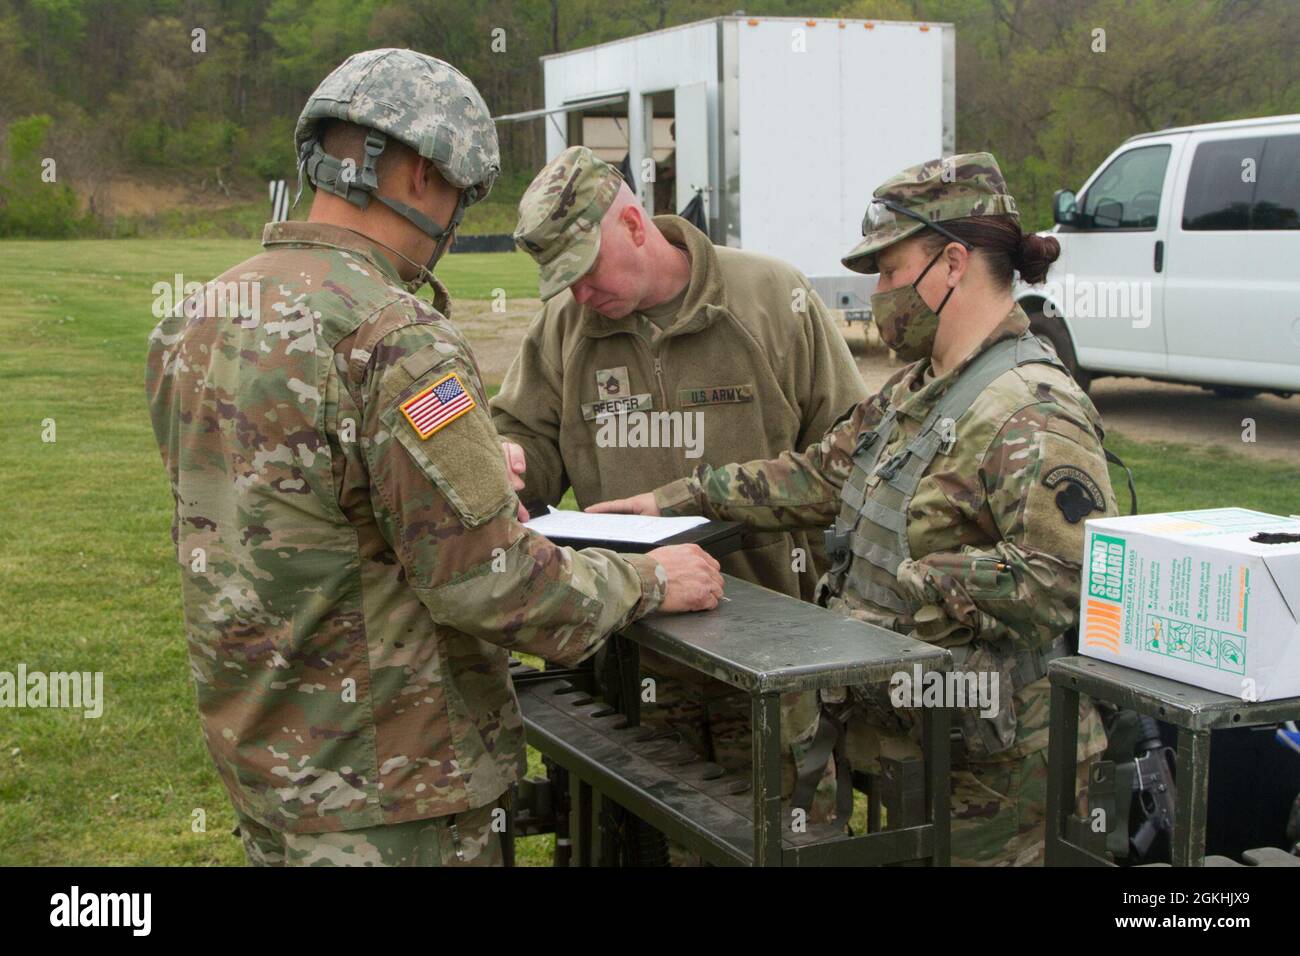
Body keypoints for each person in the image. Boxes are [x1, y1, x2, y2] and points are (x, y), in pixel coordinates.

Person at [144, 48, 723, 868]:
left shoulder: (196, 318)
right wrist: (651, 580)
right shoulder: (394, 336)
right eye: (460, 193)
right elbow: (492, 585)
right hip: (395, 791)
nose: (453, 219)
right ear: (421, 174)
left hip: (270, 770)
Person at [590, 152, 1116, 865]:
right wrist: (673, 500)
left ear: (953, 263)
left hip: (1005, 781)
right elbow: (817, 474)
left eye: (892, 272)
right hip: (924, 751)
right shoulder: (916, 391)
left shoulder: (1032, 406)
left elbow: (1069, 576)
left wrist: (901, 595)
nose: (879, 294)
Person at [492, 145, 867, 821]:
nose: (579, 294)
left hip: (773, 665)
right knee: (638, 837)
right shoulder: (565, 328)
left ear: (636, 225)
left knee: (776, 838)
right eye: (562, 281)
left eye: (585, 270)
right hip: (627, 655)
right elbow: (527, 448)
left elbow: (854, 464)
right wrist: (510, 456)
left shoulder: (770, 300)